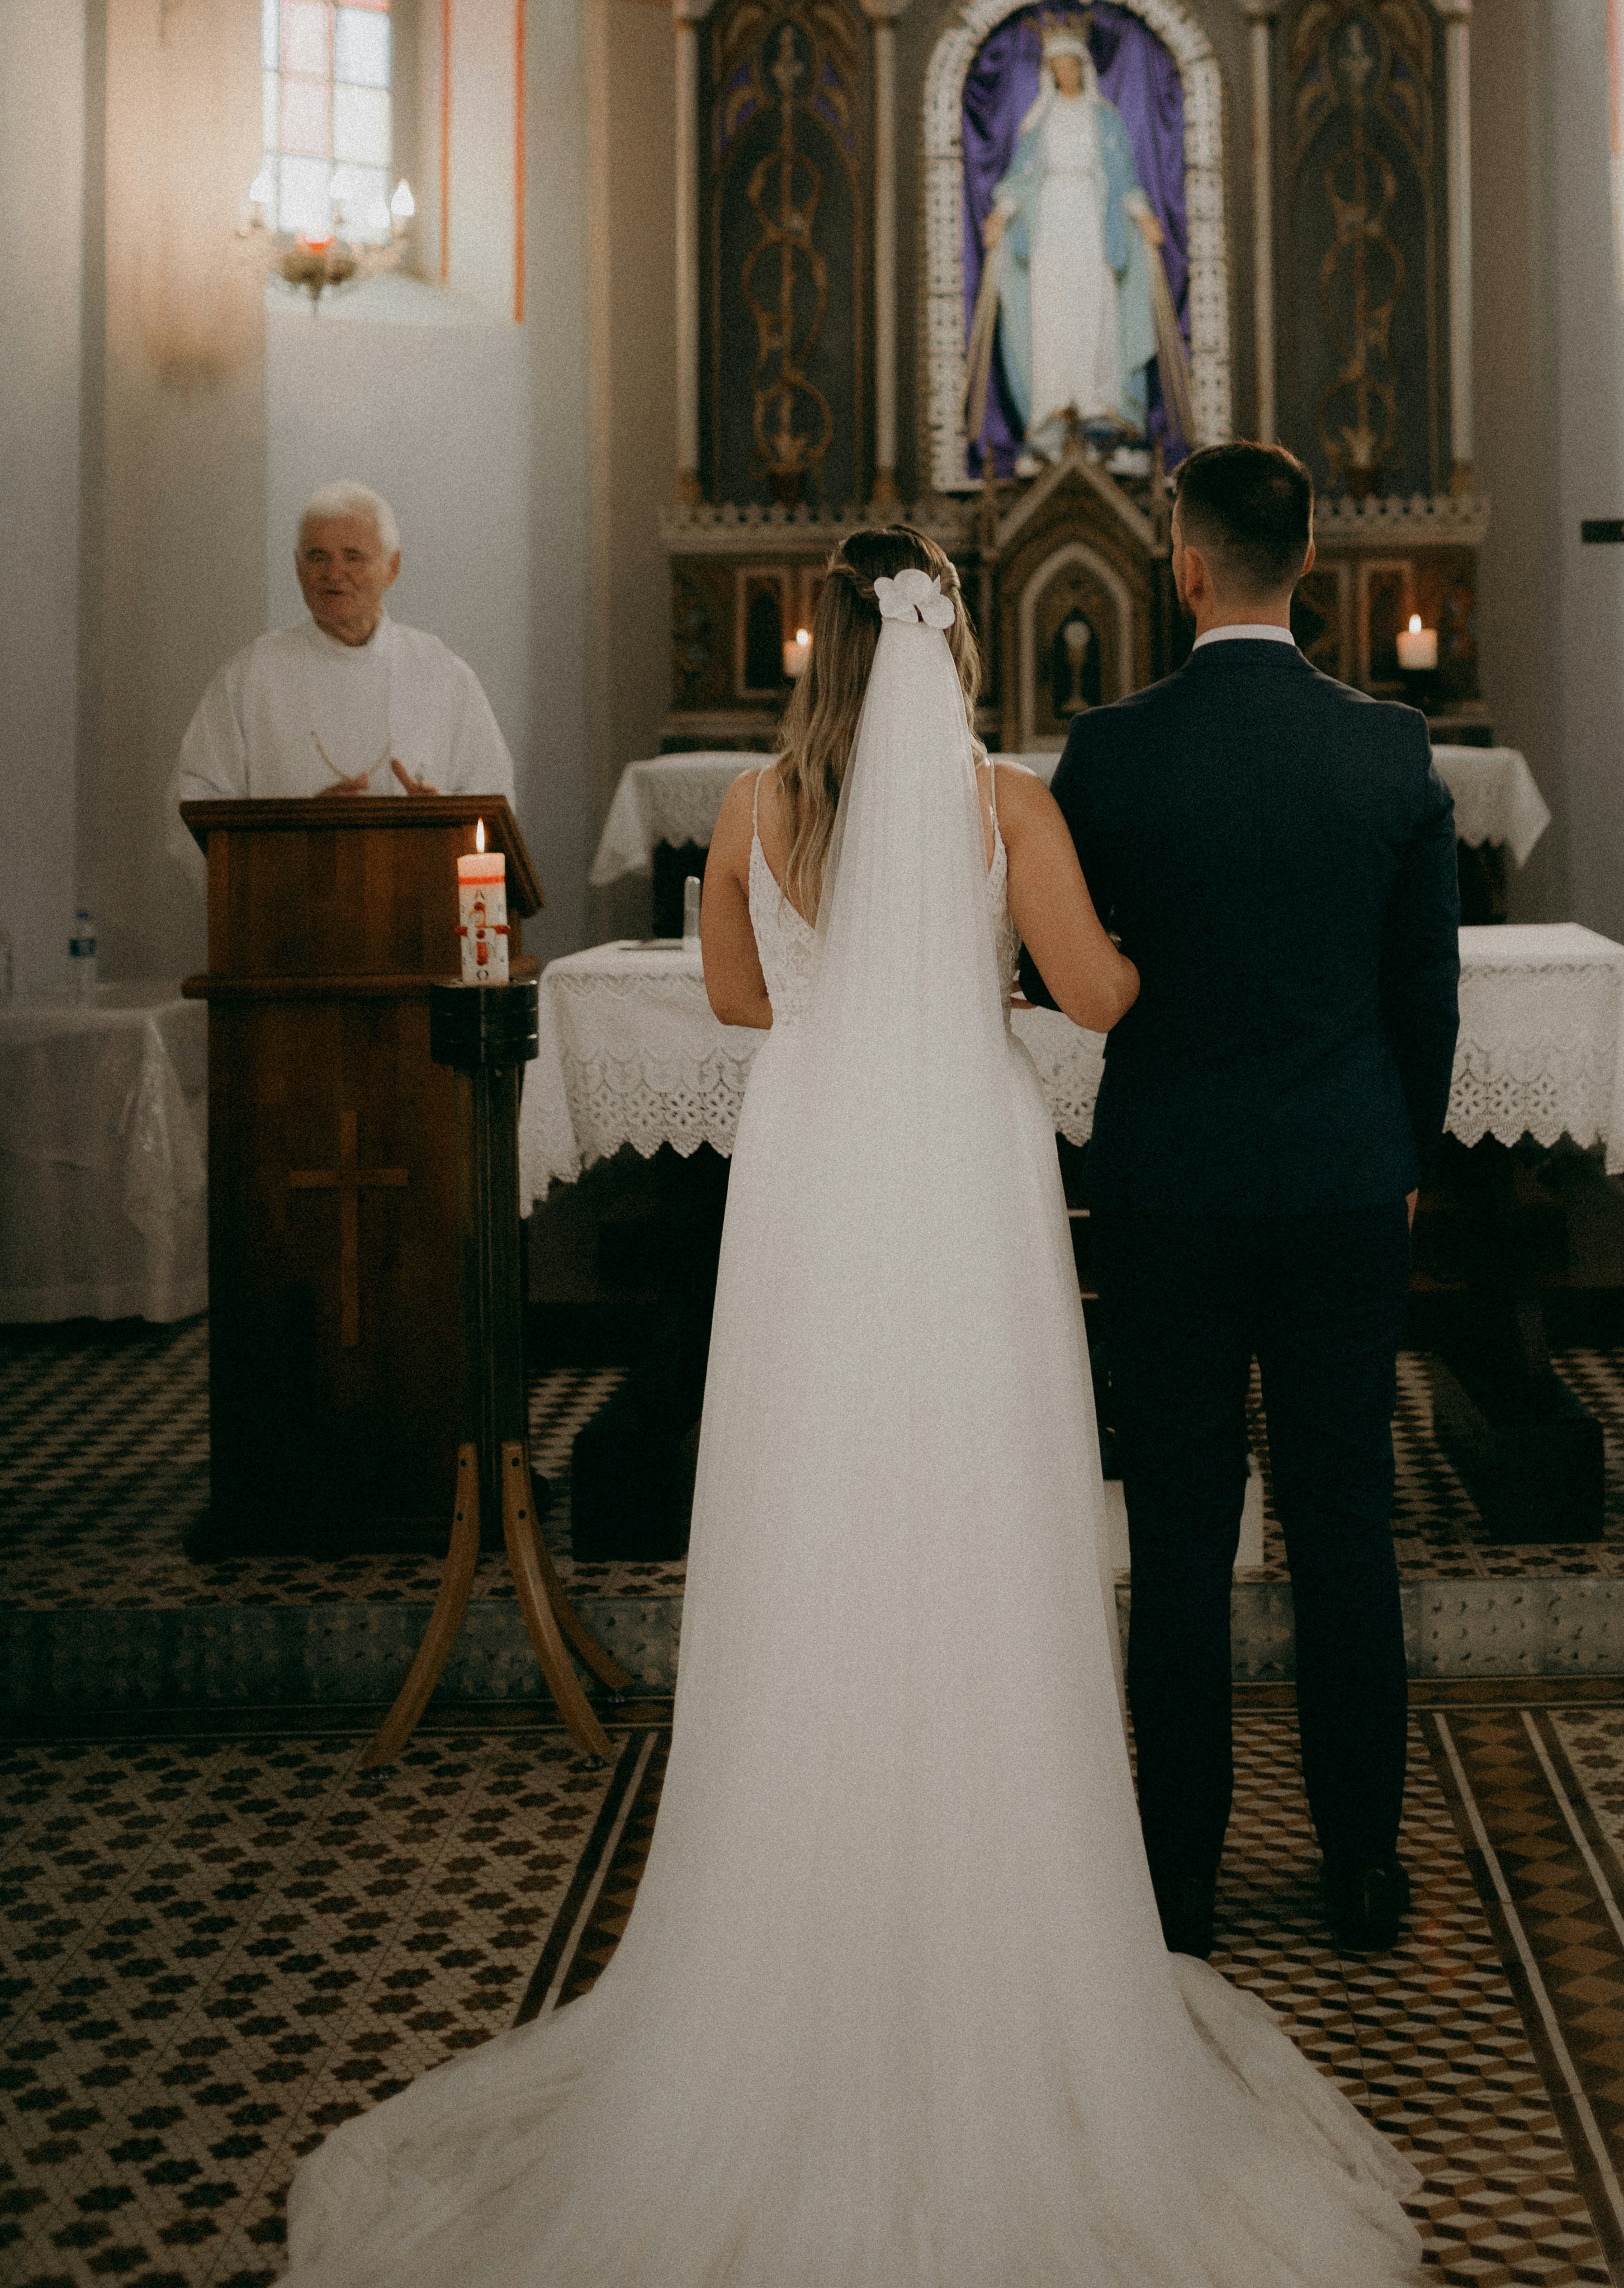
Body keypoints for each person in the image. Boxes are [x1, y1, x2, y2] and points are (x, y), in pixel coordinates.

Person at [282, 524, 1421, 2286]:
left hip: (815, 1178)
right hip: (961, 1176)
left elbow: (740, 998)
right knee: (981, 1516)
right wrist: (1064, 967)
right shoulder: (1006, 809)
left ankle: (796, 1906)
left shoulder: (747, 809)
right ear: (954, 641)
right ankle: (997, 1900)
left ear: (815, 646)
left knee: (815, 1511)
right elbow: (1104, 992)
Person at [1038, 442, 1460, 1961]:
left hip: (1169, 1193)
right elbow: (1427, 998)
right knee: (1347, 1523)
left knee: (1180, 1527)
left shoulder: (1113, 753)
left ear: (1187, 561)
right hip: (1347, 1183)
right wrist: (1399, 1161)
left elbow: (1060, 969)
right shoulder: (1390, 751)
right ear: (1307, 565)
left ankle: (1180, 1879)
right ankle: (1360, 1866)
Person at [173, 484, 511, 871]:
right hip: (288, 910)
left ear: (392, 568)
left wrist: (445, 819)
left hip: (418, 907)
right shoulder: (252, 676)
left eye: (354, 557)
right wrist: (298, 832)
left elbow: (494, 806)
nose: (334, 574)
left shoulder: (442, 675)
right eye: (318, 557)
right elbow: (196, 806)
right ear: (299, 567)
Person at [982, 22, 1164, 453]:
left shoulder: (1105, 120)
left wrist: (1143, 217)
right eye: (1058, 67)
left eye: (1072, 66)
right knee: (1051, 311)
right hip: (1049, 225)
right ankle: (1053, 407)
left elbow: (1123, 178)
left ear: (1084, 69)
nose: (1066, 74)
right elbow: (1022, 177)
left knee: (1096, 306)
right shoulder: (1040, 123)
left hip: (1093, 221)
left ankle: (1097, 405)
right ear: (1051, 72)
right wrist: (1001, 215)